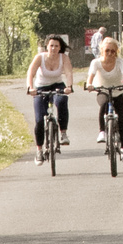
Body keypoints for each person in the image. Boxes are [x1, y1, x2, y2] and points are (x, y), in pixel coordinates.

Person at [26, 35, 74, 165]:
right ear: (47, 46)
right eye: (51, 45)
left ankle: (63, 133)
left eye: (56, 46)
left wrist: (69, 86)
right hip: (40, 87)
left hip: (57, 85)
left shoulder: (63, 57)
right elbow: (31, 72)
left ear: (60, 48)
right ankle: (39, 150)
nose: (53, 48)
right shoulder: (40, 57)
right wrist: (30, 87)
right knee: (39, 120)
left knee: (62, 101)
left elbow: (69, 73)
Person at [86, 36, 123, 162]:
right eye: (107, 50)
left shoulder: (120, 62)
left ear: (116, 52)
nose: (110, 53)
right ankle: (102, 131)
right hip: (103, 90)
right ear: (102, 50)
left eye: (113, 51)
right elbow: (90, 77)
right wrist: (89, 84)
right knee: (104, 104)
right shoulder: (96, 63)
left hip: (118, 92)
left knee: (122, 120)